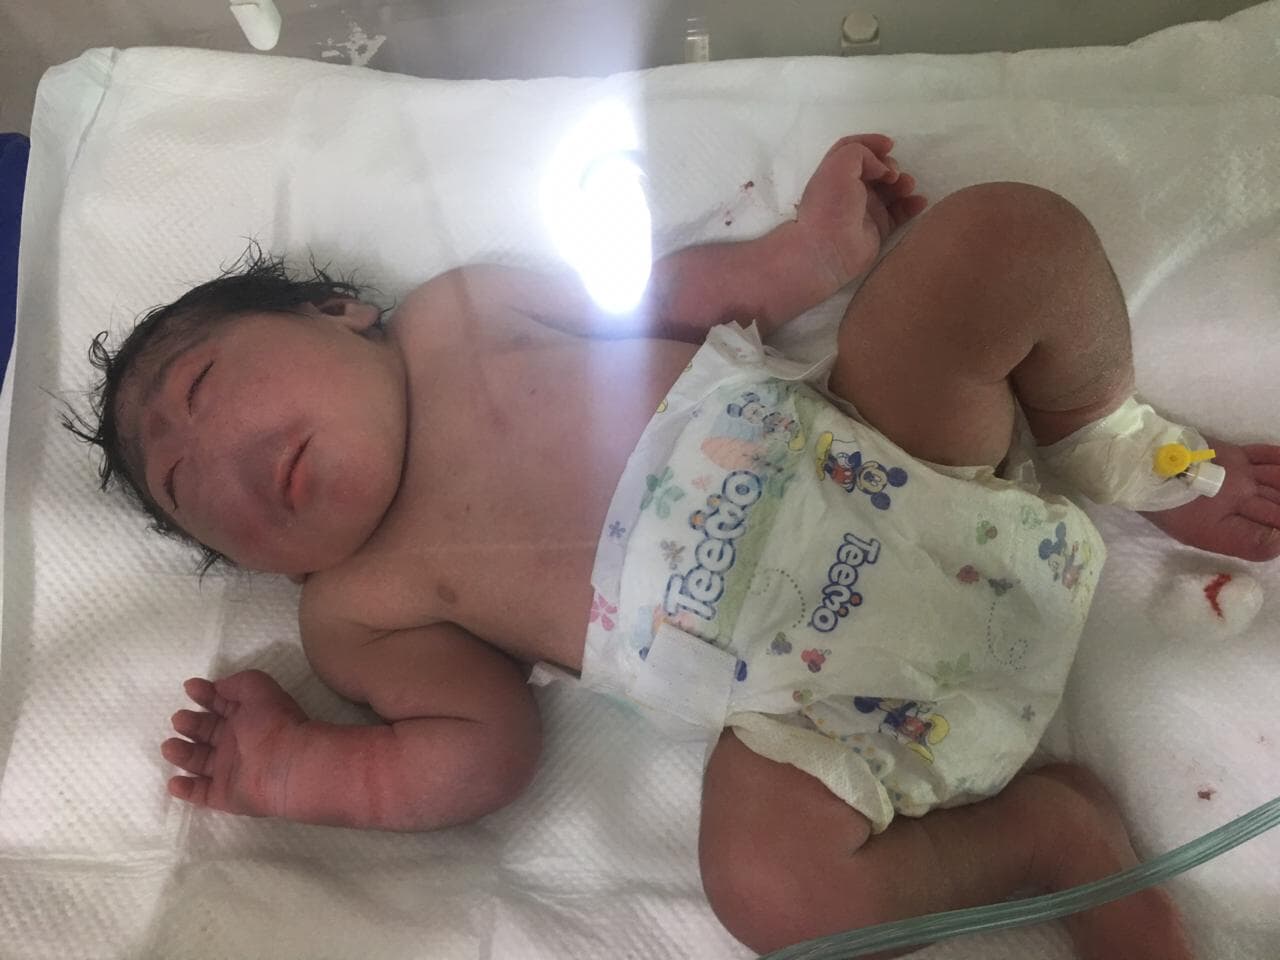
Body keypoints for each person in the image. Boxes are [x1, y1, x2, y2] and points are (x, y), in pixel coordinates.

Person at [68, 133, 1280, 959]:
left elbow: (662, 300)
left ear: (341, 314)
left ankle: (1114, 448)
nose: (216, 457)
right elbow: (477, 751)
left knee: (997, 240)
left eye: (204, 386)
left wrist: (808, 255)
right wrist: (297, 773)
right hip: (828, 714)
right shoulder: (355, 606)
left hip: (904, 461)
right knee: (772, 893)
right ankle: (1042, 840)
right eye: (183, 489)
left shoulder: (456, 314)